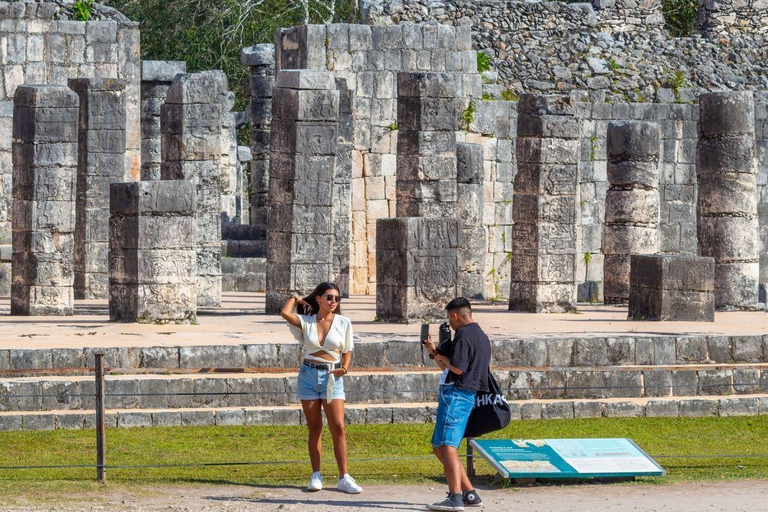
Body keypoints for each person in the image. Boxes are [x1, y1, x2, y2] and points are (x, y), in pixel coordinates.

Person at [281, 282, 363, 494]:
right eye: (329, 297)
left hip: (332, 376)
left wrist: (344, 369)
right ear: (318, 298)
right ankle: (316, 474)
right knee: (315, 428)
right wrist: (295, 297)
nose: (333, 301)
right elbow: (285, 313)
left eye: (336, 298)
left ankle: (344, 476)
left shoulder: (344, 322)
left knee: (338, 427)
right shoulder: (307, 321)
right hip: (308, 375)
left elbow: (347, 351)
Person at [422, 297, 490, 511]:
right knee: (439, 446)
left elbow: (458, 368)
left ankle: (455, 496)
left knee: (448, 446)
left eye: (449, 319)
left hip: (456, 395)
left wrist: (441, 354)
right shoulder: (480, 335)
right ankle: (469, 493)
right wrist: (434, 352)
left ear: (454, 316)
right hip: (462, 393)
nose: (449, 325)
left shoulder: (463, 335)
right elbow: (449, 367)